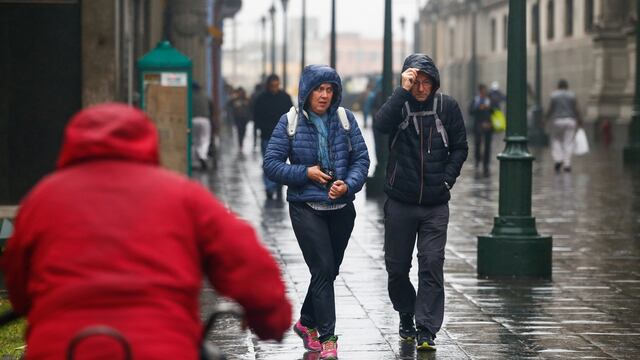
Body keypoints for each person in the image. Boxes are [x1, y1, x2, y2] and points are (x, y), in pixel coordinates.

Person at [1, 103, 292, 359]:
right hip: (163, 348)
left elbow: (19, 283)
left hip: (63, 348)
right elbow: (245, 260)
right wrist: (270, 319)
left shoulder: (41, 200)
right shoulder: (182, 196)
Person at [263, 64, 370, 360]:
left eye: (329, 90)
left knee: (329, 270)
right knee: (322, 268)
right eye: (318, 90)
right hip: (305, 206)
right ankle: (328, 339)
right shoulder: (290, 121)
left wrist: (347, 186)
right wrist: (305, 173)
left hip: (341, 209)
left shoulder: (345, 119)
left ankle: (305, 322)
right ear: (307, 92)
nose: (323, 96)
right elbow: (271, 164)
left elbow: (361, 158)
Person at [373, 54, 468, 351]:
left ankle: (426, 328)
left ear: (435, 83)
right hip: (400, 201)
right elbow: (380, 125)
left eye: (426, 82)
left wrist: (446, 180)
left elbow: (460, 147)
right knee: (397, 268)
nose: (421, 88)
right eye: (415, 82)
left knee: (431, 263)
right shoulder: (399, 105)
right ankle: (405, 312)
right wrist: (401, 91)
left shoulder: (447, 107)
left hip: (435, 204)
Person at [254, 74, 293, 200]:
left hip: (283, 137)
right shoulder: (261, 99)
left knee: (280, 162)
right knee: (268, 162)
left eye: (277, 86)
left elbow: (292, 115)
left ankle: (278, 184)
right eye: (272, 86)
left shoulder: (285, 97)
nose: (274, 88)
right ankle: (270, 187)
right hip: (267, 136)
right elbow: (256, 116)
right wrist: (261, 128)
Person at [545, 79, 582, 172]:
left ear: (558, 86)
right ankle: (567, 164)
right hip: (570, 120)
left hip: (557, 121)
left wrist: (545, 119)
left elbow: (550, 109)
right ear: (567, 86)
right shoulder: (572, 95)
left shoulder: (553, 95)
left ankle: (558, 159)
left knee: (556, 140)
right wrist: (580, 120)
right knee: (568, 142)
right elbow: (576, 109)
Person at [469, 84, 494, 177]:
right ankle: (477, 160)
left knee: (487, 145)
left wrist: (489, 108)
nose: (484, 92)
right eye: (483, 90)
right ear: (480, 91)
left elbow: (494, 110)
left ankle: (486, 164)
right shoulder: (476, 100)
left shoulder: (489, 100)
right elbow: (471, 111)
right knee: (477, 144)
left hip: (488, 125)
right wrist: (479, 108)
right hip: (478, 126)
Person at [192, 81, 213, 169]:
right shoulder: (205, 96)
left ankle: (194, 160)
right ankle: (203, 156)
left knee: (193, 140)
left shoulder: (190, 96)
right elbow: (211, 107)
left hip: (193, 119)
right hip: (205, 120)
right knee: (205, 139)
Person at [229, 87, 251, 152]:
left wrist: (249, 117)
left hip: (244, 118)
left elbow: (250, 108)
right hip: (237, 118)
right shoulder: (235, 100)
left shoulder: (246, 99)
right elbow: (230, 105)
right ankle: (240, 144)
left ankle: (241, 142)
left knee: (243, 131)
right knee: (239, 131)